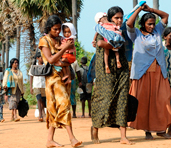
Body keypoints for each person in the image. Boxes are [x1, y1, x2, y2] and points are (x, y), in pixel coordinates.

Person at [127, 3, 171, 139]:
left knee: (163, 101)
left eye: (153, 24)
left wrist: (150, 10)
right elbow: (129, 23)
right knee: (144, 102)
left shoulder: (158, 31)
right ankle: (147, 130)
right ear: (143, 23)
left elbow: (165, 16)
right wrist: (139, 9)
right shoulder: (136, 34)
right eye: (149, 24)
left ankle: (161, 129)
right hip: (143, 74)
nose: (152, 26)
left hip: (159, 73)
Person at [91, 6, 133, 145]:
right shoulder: (103, 29)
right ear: (110, 19)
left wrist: (112, 44)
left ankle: (123, 136)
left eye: (121, 17)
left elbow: (118, 45)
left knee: (122, 99)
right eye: (116, 18)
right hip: (106, 68)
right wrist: (113, 43)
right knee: (105, 96)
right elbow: (100, 43)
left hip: (122, 67)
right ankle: (95, 128)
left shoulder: (122, 30)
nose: (119, 20)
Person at [38, 15, 82, 147]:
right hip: (52, 79)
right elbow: (50, 60)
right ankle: (72, 138)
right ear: (49, 28)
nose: (58, 32)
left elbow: (67, 58)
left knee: (55, 108)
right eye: (55, 29)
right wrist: (64, 48)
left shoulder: (61, 40)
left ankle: (50, 139)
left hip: (63, 77)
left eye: (59, 29)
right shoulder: (44, 41)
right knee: (64, 104)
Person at [29, 51, 46, 122]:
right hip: (36, 85)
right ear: (38, 58)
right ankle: (40, 115)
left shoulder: (45, 66)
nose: (42, 59)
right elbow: (31, 76)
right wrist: (31, 87)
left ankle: (43, 112)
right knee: (39, 99)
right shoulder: (34, 66)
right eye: (41, 57)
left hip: (44, 85)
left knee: (43, 101)